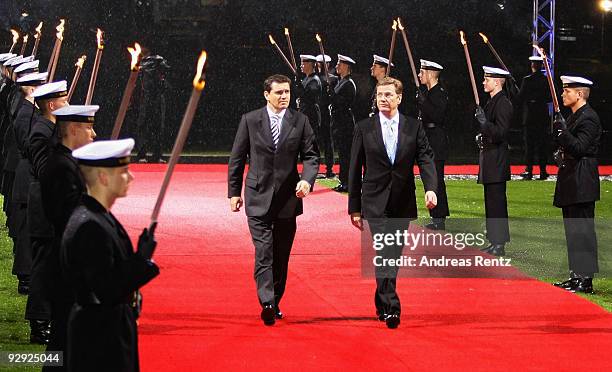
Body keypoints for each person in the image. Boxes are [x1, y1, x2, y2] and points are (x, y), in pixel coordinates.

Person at [228, 74, 319, 326]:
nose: (284, 97)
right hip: (257, 197)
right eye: (279, 92)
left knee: (281, 254)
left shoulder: (300, 121)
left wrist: (306, 180)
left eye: (287, 92)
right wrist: (234, 192)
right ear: (266, 94)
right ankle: (266, 301)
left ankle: (275, 300)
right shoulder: (250, 120)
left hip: (288, 199)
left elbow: (311, 156)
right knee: (264, 251)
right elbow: (237, 159)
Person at [61, 138, 159, 371]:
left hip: (103, 330)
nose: (131, 177)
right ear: (104, 177)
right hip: (100, 337)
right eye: (123, 171)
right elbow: (106, 289)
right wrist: (141, 262)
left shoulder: (96, 215)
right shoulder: (90, 225)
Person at [348, 77, 437, 329]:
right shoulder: (364, 128)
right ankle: (391, 307)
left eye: (388, 94)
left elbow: (426, 158)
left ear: (399, 98)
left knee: (392, 255)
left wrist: (431, 189)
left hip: (402, 200)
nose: (383, 99)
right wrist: (355, 207)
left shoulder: (413, 127)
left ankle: (381, 300)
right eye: (379, 95)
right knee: (385, 251)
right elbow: (354, 170)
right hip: (374, 201)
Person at [39, 104, 97, 370]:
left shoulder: (68, 163)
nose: (94, 134)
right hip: (67, 268)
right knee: (63, 343)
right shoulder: (61, 167)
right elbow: (69, 217)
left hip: (68, 265)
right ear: (73, 129)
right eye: (88, 127)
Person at [24, 80, 69, 347]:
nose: (67, 104)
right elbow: (45, 171)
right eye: (63, 101)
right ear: (52, 105)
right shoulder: (42, 132)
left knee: (53, 267)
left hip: (53, 207)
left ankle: (49, 317)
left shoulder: (51, 128)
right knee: (43, 269)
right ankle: (39, 324)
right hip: (45, 209)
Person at [552, 76, 601, 294]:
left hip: (582, 180)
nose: (563, 95)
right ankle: (575, 275)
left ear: (579, 94)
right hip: (572, 179)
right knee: (573, 231)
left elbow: (580, 147)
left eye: (567, 91)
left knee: (582, 231)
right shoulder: (574, 117)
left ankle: (585, 279)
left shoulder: (589, 118)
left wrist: (564, 132)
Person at [474, 66, 512, 257]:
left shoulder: (503, 103)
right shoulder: (492, 102)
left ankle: (499, 243)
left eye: (487, 79)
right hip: (490, 158)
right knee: (491, 202)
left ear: (497, 81)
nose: (483, 82)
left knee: (497, 202)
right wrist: (481, 134)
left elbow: (500, 133)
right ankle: (494, 240)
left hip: (496, 159)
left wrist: (484, 123)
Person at [417, 59, 450, 230]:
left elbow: (438, 117)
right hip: (427, 139)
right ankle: (435, 216)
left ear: (430, 74)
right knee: (429, 179)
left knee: (436, 179)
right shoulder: (428, 93)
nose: (419, 75)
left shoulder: (439, 93)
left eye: (422, 72)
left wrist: (424, 103)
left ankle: (440, 217)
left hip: (436, 140)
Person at [517, 56, 551, 180]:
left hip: (531, 116)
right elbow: (550, 98)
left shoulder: (527, 80)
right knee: (542, 145)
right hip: (542, 115)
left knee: (529, 145)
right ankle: (542, 171)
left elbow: (520, 98)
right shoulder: (546, 81)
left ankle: (529, 170)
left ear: (532, 66)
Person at [330, 54, 357, 192]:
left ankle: (347, 182)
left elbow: (341, 103)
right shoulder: (341, 82)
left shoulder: (348, 84)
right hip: (339, 122)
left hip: (345, 123)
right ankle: (344, 180)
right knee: (342, 153)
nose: (336, 66)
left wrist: (331, 93)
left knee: (346, 154)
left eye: (339, 64)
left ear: (346, 66)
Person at [296, 54, 322, 174]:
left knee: (310, 144)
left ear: (310, 65)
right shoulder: (307, 79)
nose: (301, 66)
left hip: (311, 116)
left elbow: (308, 96)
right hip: (304, 114)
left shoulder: (314, 80)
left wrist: (299, 85)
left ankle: (312, 170)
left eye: (303, 63)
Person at [316, 54, 336, 178]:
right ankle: (314, 167)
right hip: (315, 113)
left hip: (326, 114)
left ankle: (329, 168)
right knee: (314, 142)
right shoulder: (314, 78)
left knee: (328, 141)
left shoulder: (333, 79)